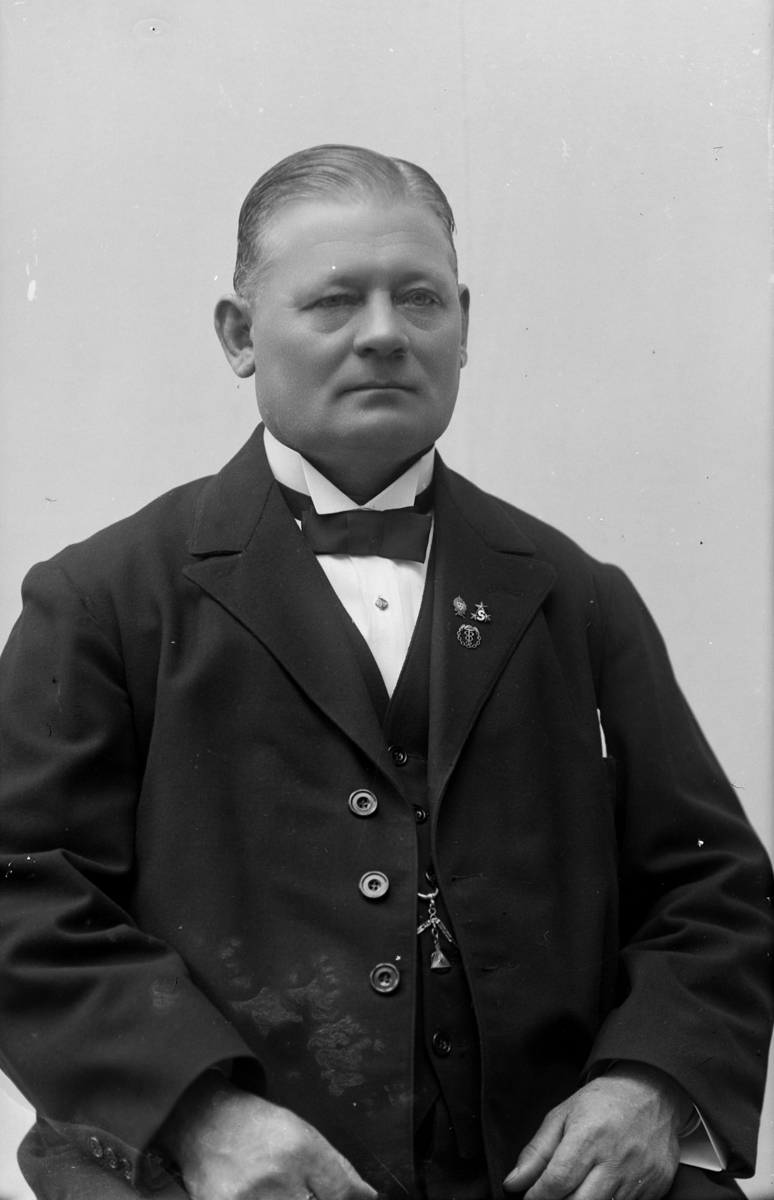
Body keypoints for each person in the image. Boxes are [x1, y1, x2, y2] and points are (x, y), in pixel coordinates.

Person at [0, 144, 771, 1200]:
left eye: (419, 298)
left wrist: (650, 1085)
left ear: (464, 323)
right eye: (333, 300)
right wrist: (200, 1118)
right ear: (238, 335)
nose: (383, 334)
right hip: (203, 1172)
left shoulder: (577, 594)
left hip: (539, 1174)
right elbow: (21, 894)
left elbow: (714, 888)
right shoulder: (102, 597)